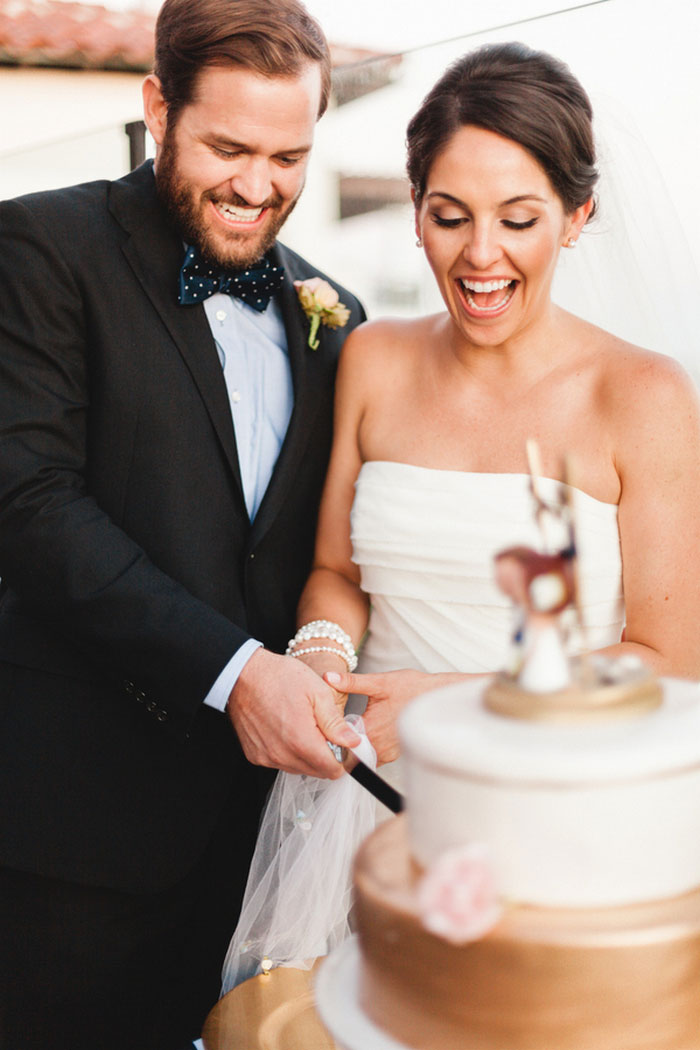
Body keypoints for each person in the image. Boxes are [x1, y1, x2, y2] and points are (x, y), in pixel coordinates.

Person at [0, 1, 366, 1046]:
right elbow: (27, 505)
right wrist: (236, 672)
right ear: (159, 105)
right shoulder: (39, 246)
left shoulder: (334, 314)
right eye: (229, 148)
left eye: (290, 156)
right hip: (64, 836)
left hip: (251, 855)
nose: (259, 186)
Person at [288, 41, 700, 771]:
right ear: (415, 211)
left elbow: (670, 662)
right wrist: (321, 655)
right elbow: (336, 573)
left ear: (576, 218)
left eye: (518, 220)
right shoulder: (372, 359)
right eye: (451, 217)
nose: (481, 254)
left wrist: (457, 704)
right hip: (369, 780)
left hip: (559, 786)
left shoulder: (644, 396)